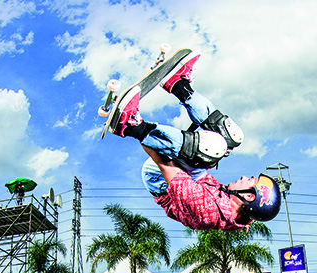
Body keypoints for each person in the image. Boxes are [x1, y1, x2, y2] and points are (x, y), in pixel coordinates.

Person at [110, 50, 281, 231]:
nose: (244, 177)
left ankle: (129, 124)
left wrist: (139, 133)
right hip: (195, 178)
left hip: (160, 180)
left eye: (250, 181)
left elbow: (166, 166)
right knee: (231, 136)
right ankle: (177, 84)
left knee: (211, 148)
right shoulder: (244, 213)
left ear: (248, 197)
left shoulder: (206, 209)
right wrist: (244, 223)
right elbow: (248, 218)